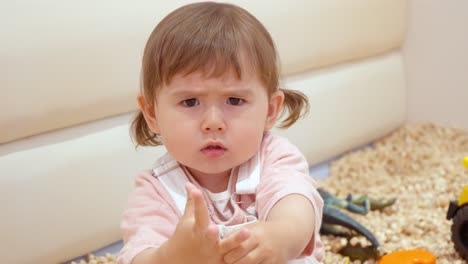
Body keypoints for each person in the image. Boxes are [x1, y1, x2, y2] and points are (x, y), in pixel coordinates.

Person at [118, 2, 324, 264]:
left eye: (235, 101)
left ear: (270, 111)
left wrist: (280, 236)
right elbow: (137, 255)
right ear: (152, 114)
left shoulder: (273, 157)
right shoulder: (156, 190)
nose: (213, 123)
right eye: (190, 102)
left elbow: (296, 204)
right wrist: (169, 256)